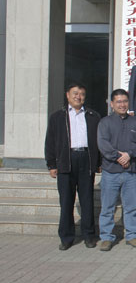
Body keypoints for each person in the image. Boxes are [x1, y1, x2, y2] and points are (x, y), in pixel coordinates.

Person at [44, 83, 101, 250]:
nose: (78, 96)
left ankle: (89, 235)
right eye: (75, 93)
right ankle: (66, 237)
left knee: (87, 200)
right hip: (66, 161)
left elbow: (98, 141)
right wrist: (51, 164)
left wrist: (98, 162)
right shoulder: (57, 117)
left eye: (81, 94)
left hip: (86, 159)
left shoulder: (93, 116)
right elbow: (50, 141)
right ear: (67, 95)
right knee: (66, 201)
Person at [97, 89, 136, 251]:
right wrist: (118, 157)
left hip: (129, 172)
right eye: (118, 102)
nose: (122, 104)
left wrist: (129, 155)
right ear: (112, 104)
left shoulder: (135, 122)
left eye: (125, 101)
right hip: (110, 171)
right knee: (108, 207)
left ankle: (132, 235)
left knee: (131, 206)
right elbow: (103, 143)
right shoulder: (105, 122)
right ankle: (106, 237)